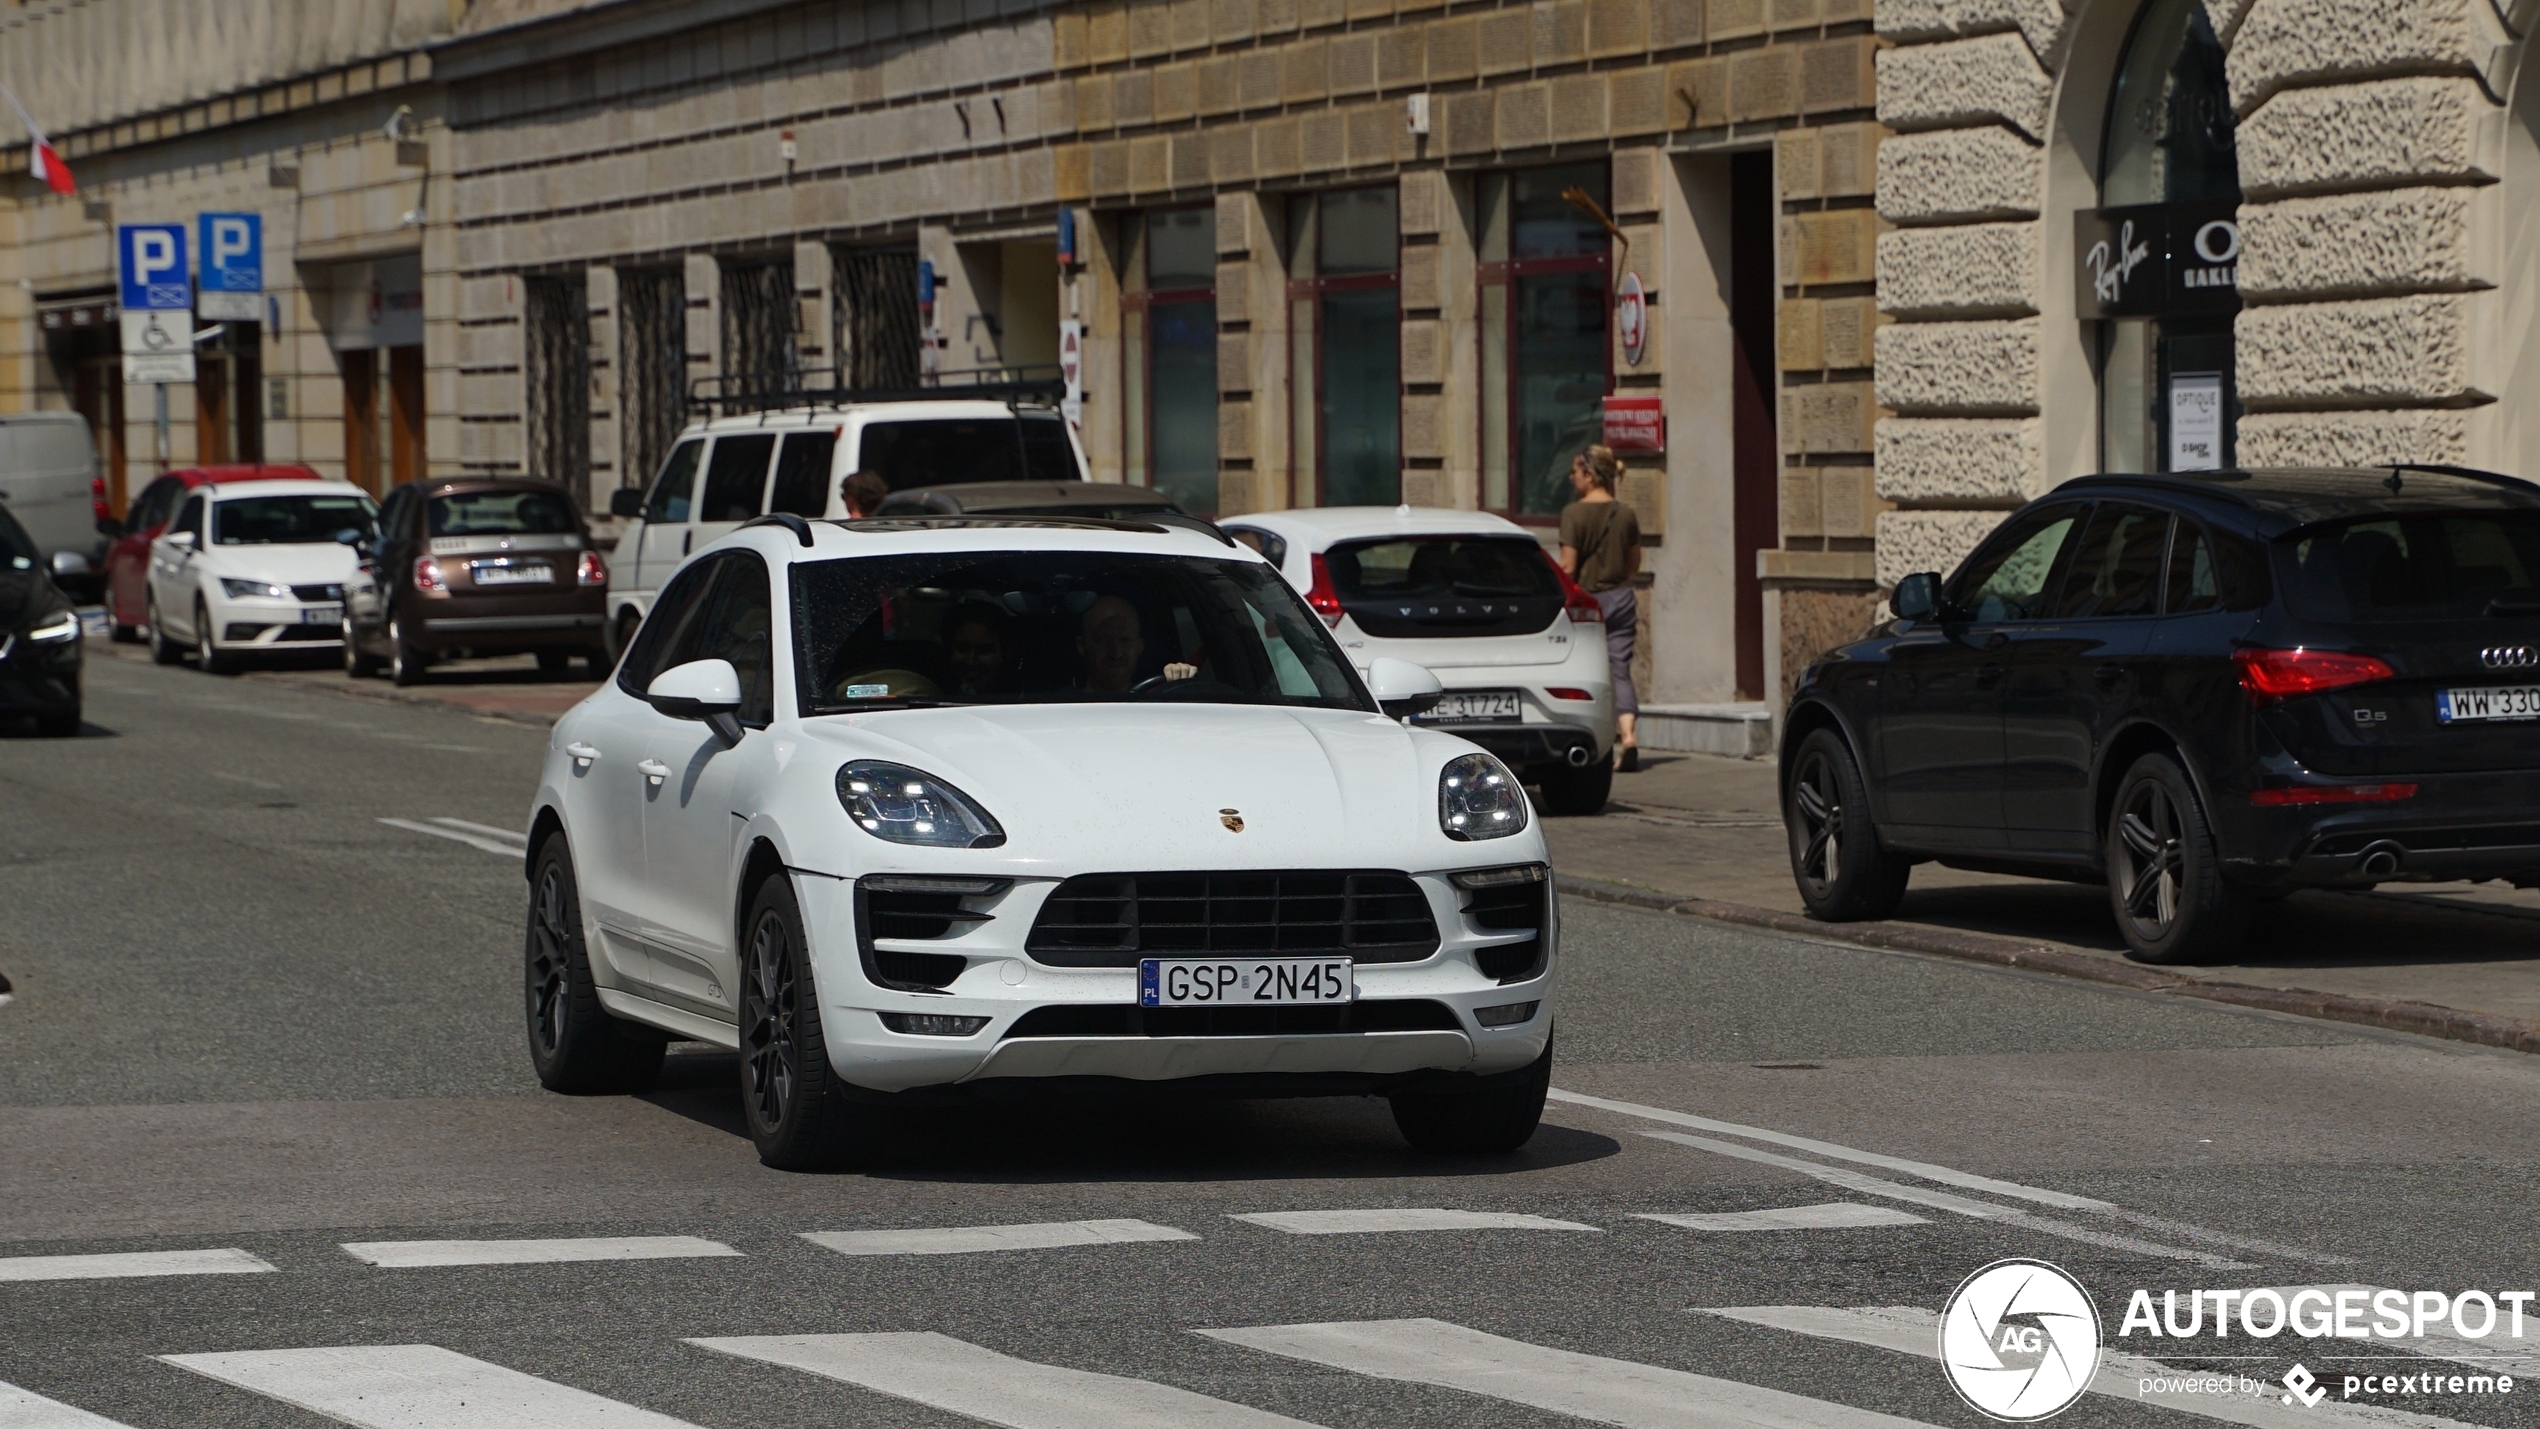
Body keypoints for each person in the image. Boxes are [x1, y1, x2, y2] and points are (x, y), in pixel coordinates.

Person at [1558, 444, 1642, 771]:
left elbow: (1567, 567)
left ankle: (1592, 739)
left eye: (1576, 472)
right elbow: (1635, 562)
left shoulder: (1573, 513)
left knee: (1584, 671)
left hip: (1588, 603)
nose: (1572, 478)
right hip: (1622, 597)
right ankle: (1629, 736)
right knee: (1620, 667)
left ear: (1590, 475)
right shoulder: (1627, 513)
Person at [1076, 594, 1193, 694]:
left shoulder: (1159, 702)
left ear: (1139, 647)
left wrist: (1181, 681)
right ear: (1082, 646)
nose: (1116, 653)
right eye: (1103, 640)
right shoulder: (1062, 708)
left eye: (1125, 640)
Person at [943, 603, 1015, 699]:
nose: (970, 661)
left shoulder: (1021, 701)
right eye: (962, 649)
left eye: (984, 651)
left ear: (1005, 653)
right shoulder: (929, 693)